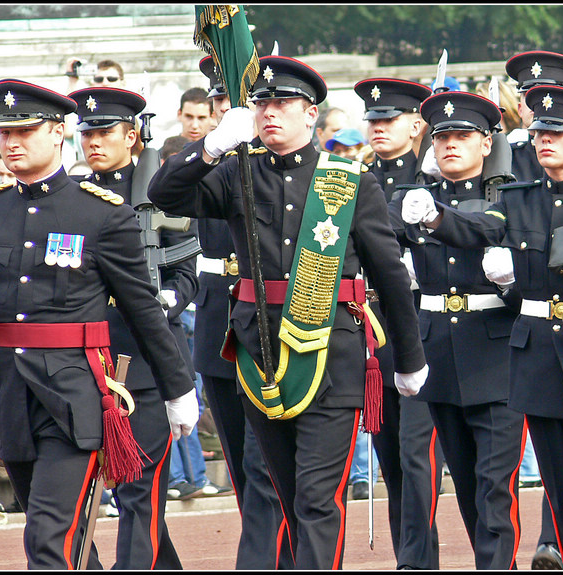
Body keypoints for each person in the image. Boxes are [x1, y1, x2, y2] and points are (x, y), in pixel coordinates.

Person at [148, 55, 428, 569]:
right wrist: (209, 147)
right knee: (283, 492)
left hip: (332, 351)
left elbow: (388, 274)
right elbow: (163, 193)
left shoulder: (348, 181)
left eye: (283, 103)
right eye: (263, 103)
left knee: (318, 501)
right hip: (259, 355)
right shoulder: (237, 173)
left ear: (310, 114)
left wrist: (408, 358)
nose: (270, 112)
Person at [0, 79, 199, 569]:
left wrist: (178, 390)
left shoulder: (100, 215)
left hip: (72, 398)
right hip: (10, 397)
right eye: (5, 133)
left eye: (25, 131)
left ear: (57, 133)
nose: (12, 143)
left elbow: (141, 309)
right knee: (58, 537)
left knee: (48, 539)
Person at [415, 84, 563, 569]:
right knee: (562, 495)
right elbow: (478, 228)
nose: (544, 140)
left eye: (557, 132)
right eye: (539, 130)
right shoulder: (519, 199)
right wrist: (436, 218)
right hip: (539, 364)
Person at [67, 85, 203, 567]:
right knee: (85, 496)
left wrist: (166, 298)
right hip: (85, 362)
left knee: (140, 492)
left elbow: (187, 272)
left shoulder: (160, 195)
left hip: (145, 363)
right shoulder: (72, 198)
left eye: (105, 133)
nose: (94, 143)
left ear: (132, 136)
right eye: (88, 134)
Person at [393, 90, 526, 570]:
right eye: (442, 136)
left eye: (463, 135)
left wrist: (432, 218)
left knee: (495, 483)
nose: (451, 144)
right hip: (435, 354)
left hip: (494, 354)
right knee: (467, 485)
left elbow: (481, 229)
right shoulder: (411, 198)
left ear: (487, 143)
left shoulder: (511, 198)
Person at [189, 55, 292, 569]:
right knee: (239, 458)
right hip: (217, 318)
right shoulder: (206, 162)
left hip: (270, 323)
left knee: (265, 463)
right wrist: (210, 149)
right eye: (221, 105)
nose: (230, 113)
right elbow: (171, 193)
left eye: (239, 104)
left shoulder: (278, 166)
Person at [502, 51, 563, 570]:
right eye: (528, 95)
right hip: (530, 326)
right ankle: (551, 539)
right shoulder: (514, 160)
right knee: (554, 468)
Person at [353, 76, 445, 569]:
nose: (378, 128)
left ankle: (414, 561)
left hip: (418, 330)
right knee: (391, 460)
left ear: (416, 125)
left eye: (388, 120)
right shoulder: (352, 181)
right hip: (371, 329)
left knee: (417, 455)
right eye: (372, 120)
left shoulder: (432, 180)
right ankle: (411, 557)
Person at [505, 51, 563, 186]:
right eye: (530, 96)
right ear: (520, 109)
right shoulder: (504, 159)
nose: (541, 104)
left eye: (550, 96)